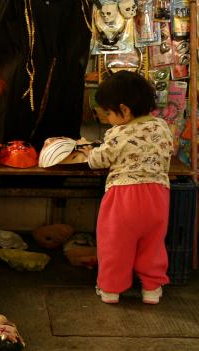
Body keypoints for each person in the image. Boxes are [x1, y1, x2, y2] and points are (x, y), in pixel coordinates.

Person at [79, 70, 173, 305]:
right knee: (152, 245)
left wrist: (90, 153)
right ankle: (152, 290)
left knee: (115, 245)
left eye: (108, 113)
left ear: (125, 110)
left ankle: (110, 290)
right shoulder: (162, 127)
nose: (108, 118)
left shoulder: (119, 132)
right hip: (158, 196)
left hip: (124, 197)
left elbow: (99, 161)